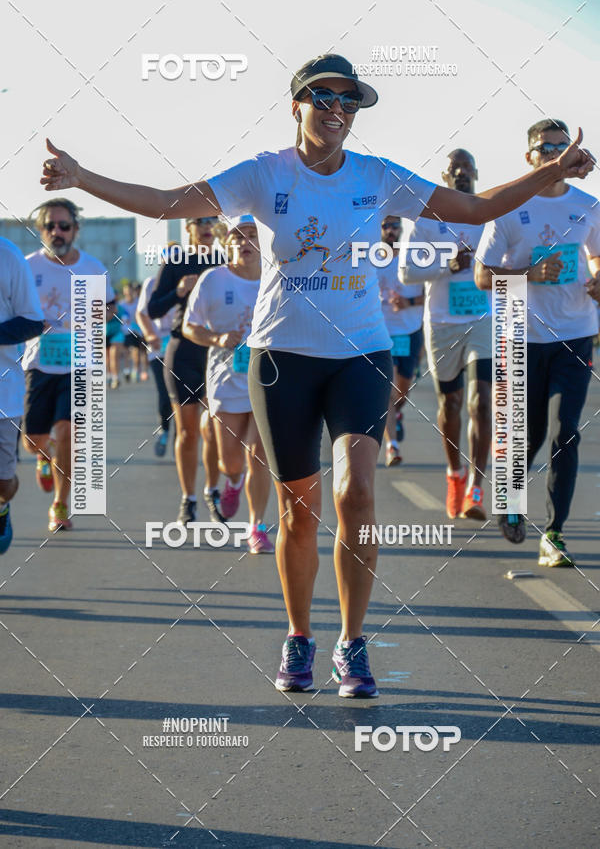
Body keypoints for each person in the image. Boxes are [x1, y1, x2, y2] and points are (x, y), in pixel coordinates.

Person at [39, 53, 594, 697]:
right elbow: (166, 202)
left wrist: (550, 172)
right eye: (324, 98)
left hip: (361, 352)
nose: (337, 110)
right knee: (299, 511)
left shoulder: (377, 175)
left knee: (356, 494)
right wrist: (80, 177)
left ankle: (353, 644)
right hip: (283, 358)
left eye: (349, 101)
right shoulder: (263, 173)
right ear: (296, 105)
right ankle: (300, 636)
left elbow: (469, 209)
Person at [475, 118, 600, 566]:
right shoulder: (508, 211)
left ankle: (554, 532)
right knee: (524, 434)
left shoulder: (588, 205)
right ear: (529, 158)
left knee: (565, 431)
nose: (553, 155)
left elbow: (598, 257)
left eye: (560, 148)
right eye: (545, 149)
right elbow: (482, 276)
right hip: (520, 335)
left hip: (575, 333)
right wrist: (529, 275)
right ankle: (510, 500)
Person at [401, 149, 491, 520]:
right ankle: (454, 473)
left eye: (467, 169)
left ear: (476, 173)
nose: (462, 175)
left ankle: (475, 487)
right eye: (455, 170)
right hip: (441, 321)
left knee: (481, 402)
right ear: (445, 175)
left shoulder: (489, 215)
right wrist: (446, 265)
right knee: (451, 405)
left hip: (485, 316)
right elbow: (406, 273)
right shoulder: (427, 219)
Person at [21, 198, 116, 532]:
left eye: (64, 226)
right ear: (41, 230)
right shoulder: (28, 267)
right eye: (50, 226)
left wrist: (92, 316)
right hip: (39, 363)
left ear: (76, 229)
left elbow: (109, 309)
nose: (57, 232)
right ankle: (43, 458)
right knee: (33, 440)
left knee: (69, 433)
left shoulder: (92, 268)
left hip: (80, 363)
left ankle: (60, 505)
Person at [183, 216, 275, 553]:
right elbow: (190, 327)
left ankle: (257, 525)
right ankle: (232, 481)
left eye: (252, 235)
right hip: (226, 379)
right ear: (227, 243)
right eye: (237, 236)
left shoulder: (275, 279)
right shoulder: (212, 281)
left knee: (259, 456)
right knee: (231, 461)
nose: (244, 242)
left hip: (269, 378)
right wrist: (218, 337)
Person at [148, 222, 222, 524]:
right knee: (188, 431)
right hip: (182, 351)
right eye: (201, 221)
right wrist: (179, 292)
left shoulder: (225, 260)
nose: (208, 227)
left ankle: (213, 491)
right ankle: (188, 498)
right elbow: (153, 309)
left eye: (212, 220)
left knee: (215, 427)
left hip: (217, 350)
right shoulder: (176, 261)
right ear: (189, 226)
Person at [0, 237, 45, 553]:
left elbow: (32, 321)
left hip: (3, 393)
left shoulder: (8, 256)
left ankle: (2, 505)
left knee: (3, 484)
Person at [376, 215, 424, 467]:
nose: (391, 230)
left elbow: (433, 294)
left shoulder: (414, 258)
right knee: (388, 391)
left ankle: (398, 412)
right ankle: (392, 447)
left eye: (395, 226)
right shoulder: (370, 259)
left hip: (410, 331)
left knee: (402, 390)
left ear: (402, 229)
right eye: (386, 226)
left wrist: (409, 303)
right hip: (382, 334)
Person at [136, 269, 176, 457]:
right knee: (165, 392)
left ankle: (181, 437)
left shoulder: (189, 280)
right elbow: (141, 313)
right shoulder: (151, 283)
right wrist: (150, 334)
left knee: (184, 395)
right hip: (159, 346)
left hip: (181, 346)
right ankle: (165, 429)